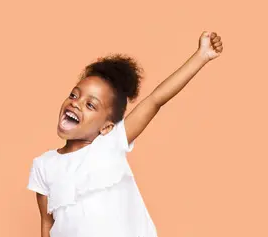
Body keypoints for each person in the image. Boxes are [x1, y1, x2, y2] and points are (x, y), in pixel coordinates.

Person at [27, 31, 224, 237]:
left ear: (106, 127)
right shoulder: (43, 165)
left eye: (90, 105)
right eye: (74, 95)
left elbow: (155, 99)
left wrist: (201, 56)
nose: (75, 103)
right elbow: (47, 224)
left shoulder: (110, 145)